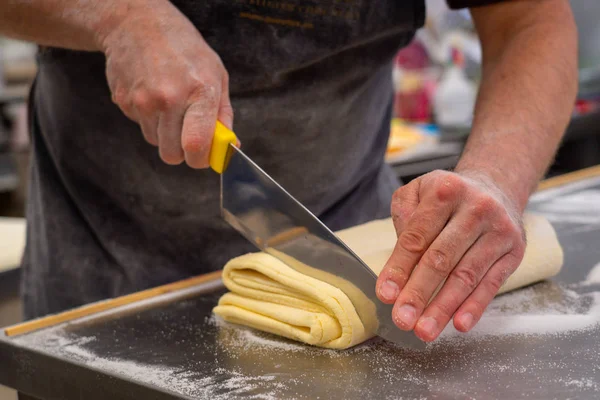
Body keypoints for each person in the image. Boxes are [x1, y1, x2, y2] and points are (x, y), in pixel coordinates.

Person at [0, 0, 576, 344]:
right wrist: (119, 15)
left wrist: (496, 177)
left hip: (350, 246)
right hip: (100, 261)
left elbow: (531, 21)